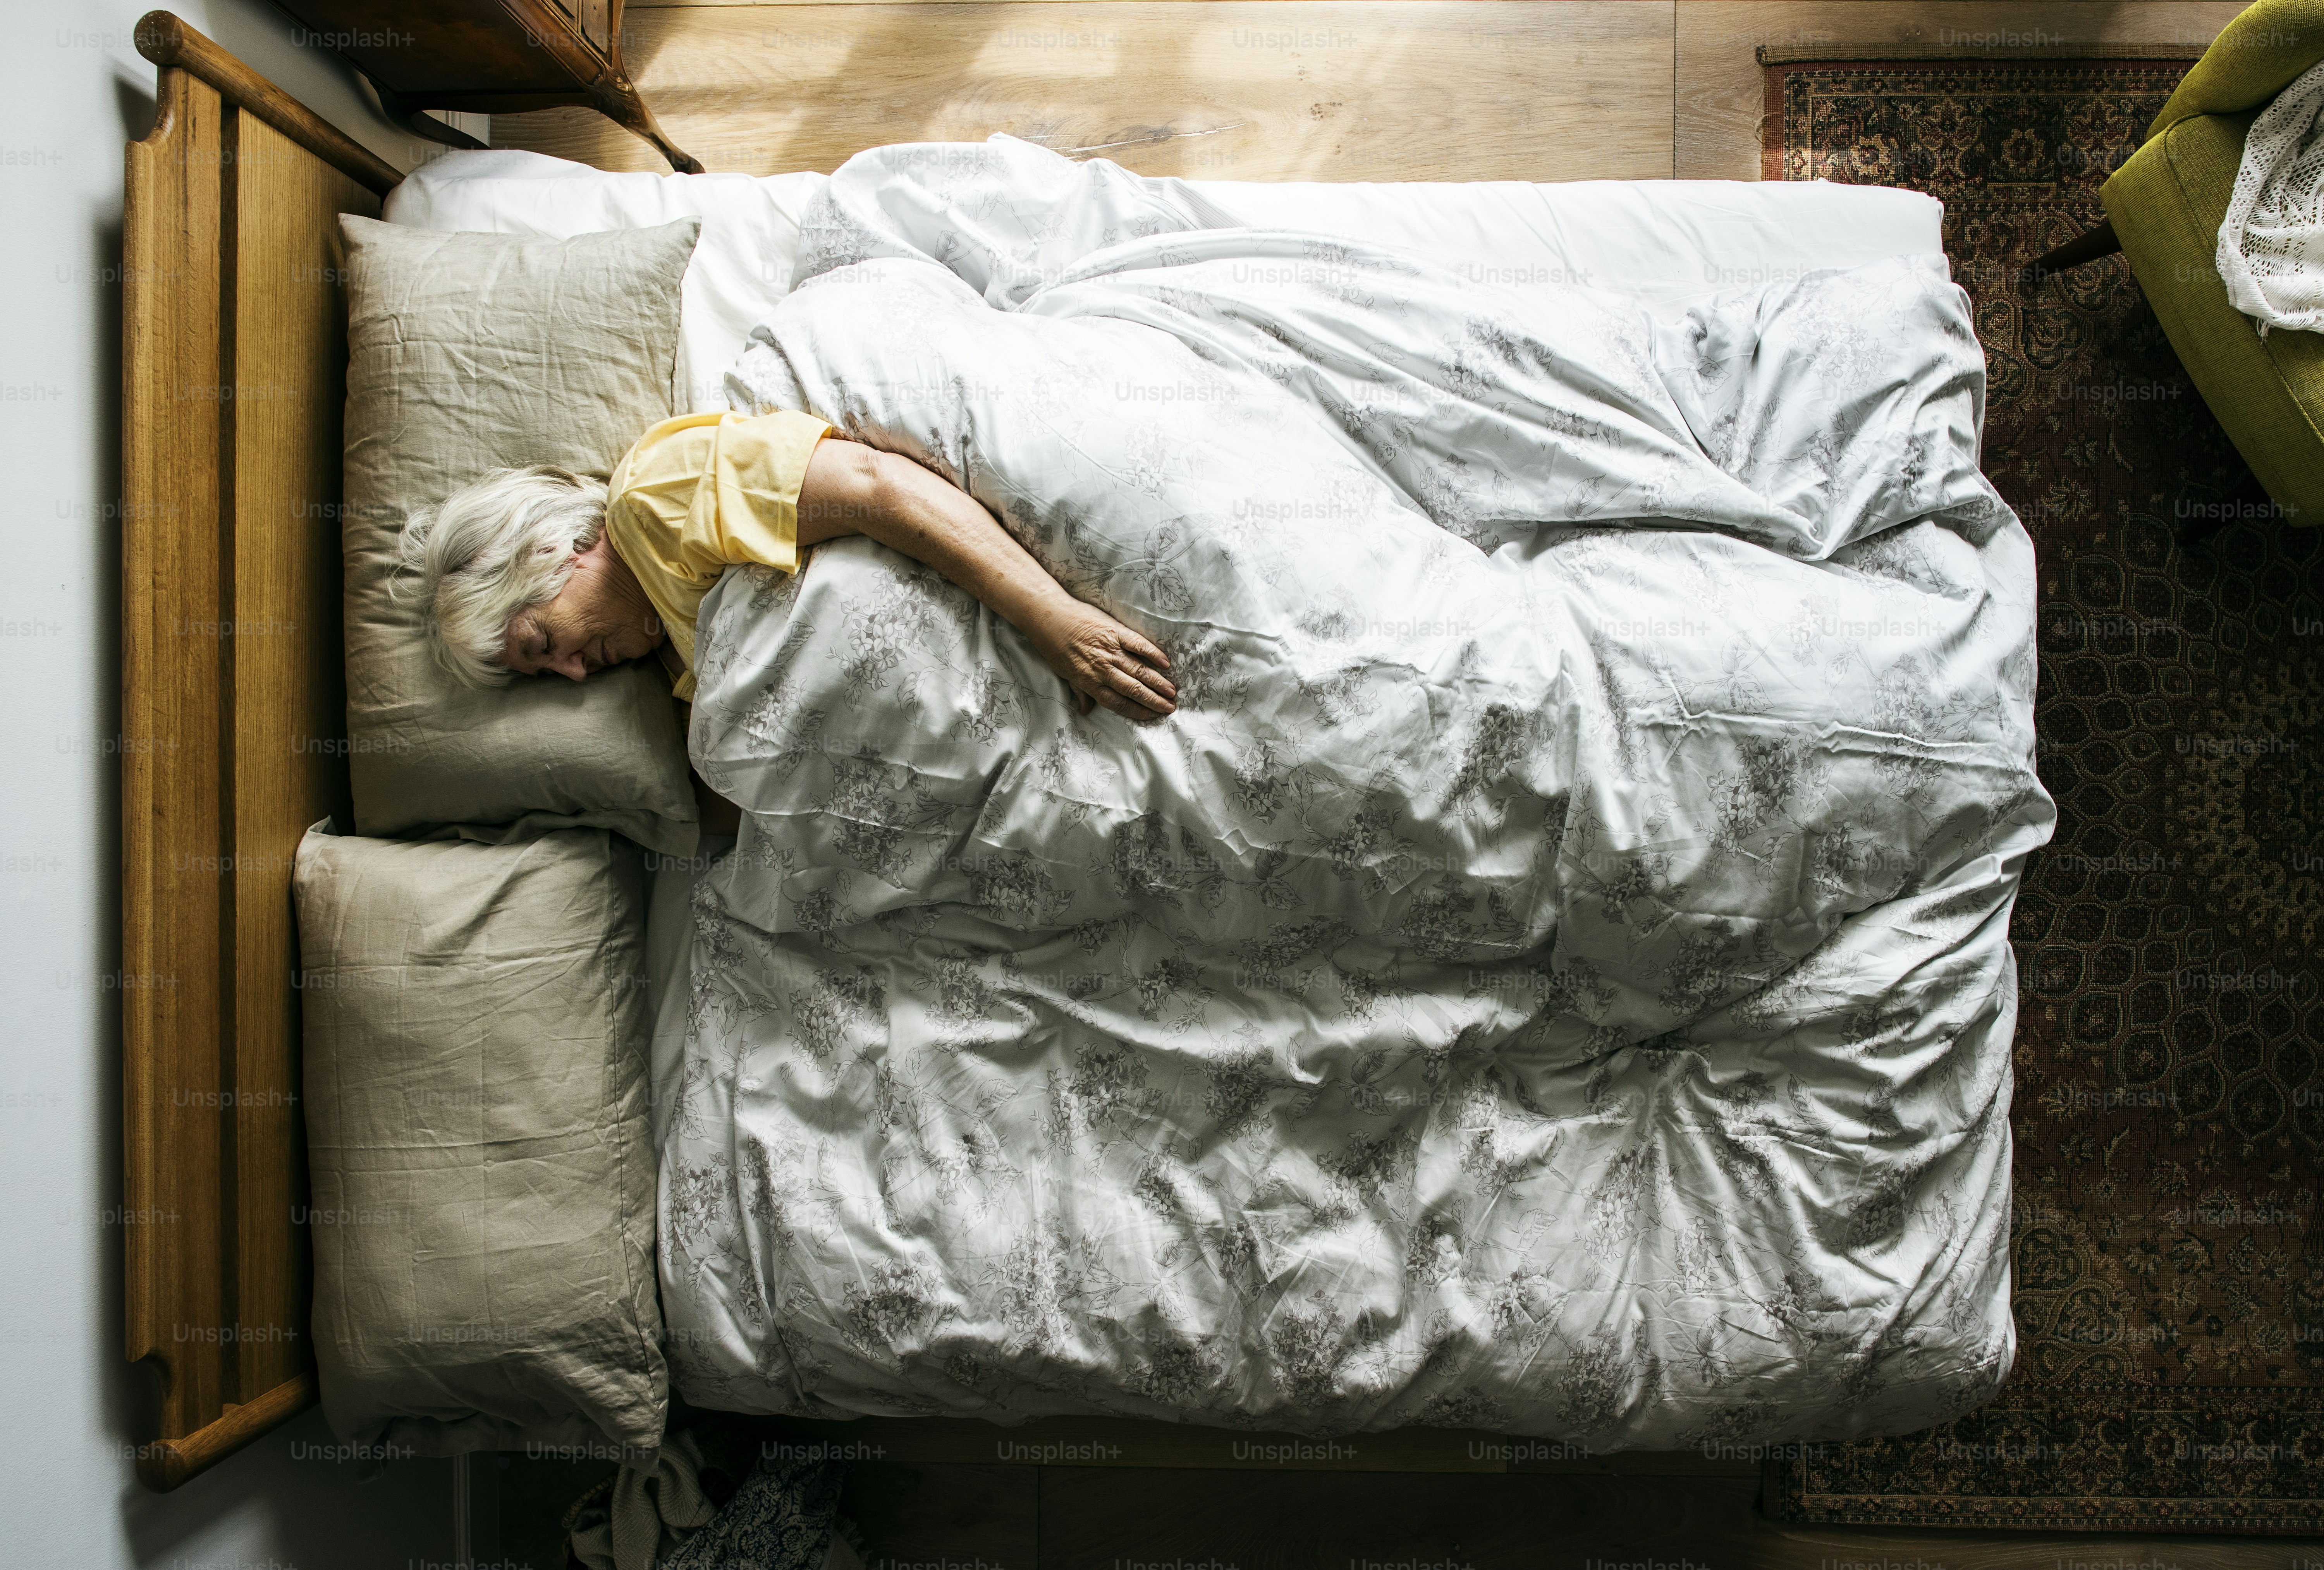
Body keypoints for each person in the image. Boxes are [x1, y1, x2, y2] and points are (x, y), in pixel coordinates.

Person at [399, 409, 1177, 723]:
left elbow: (878, 489)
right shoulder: (673, 649)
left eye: (542, 643)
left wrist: (1054, 620)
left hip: (1045, 624)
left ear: (547, 555)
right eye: (544, 677)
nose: (573, 674)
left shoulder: (655, 504)